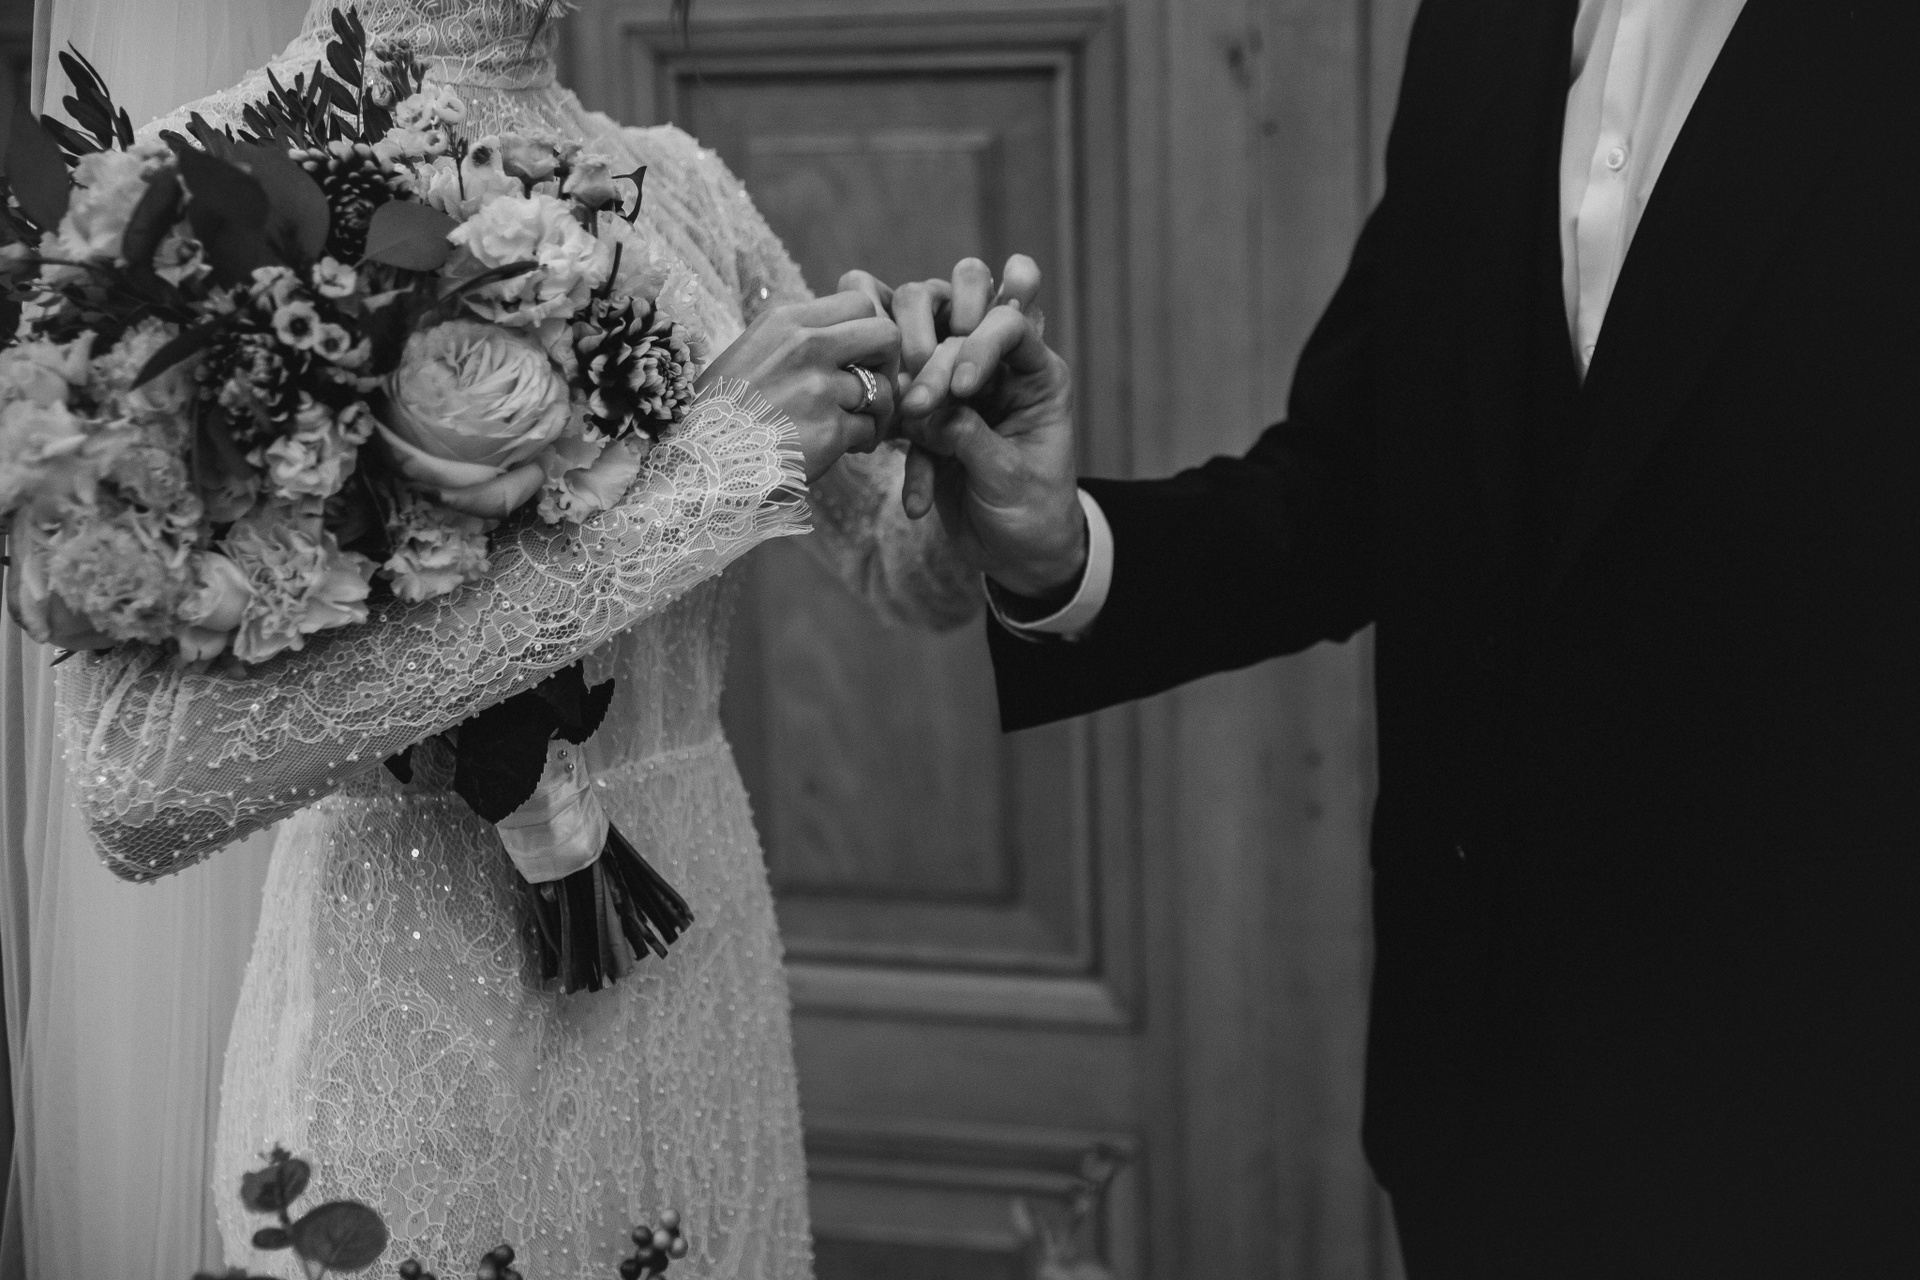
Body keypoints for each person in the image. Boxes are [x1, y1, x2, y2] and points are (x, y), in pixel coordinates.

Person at [881, 0, 1917, 1274]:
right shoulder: (1481, 26)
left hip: (1839, 1114)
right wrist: (1059, 542)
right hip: (1483, 1109)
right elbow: (1360, 482)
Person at [55, 1, 992, 1275]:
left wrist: (968, 467)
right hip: (418, 1022)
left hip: (697, 990)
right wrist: (696, 482)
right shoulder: (197, 191)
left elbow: (900, 570)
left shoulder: (683, 189)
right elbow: (138, 780)